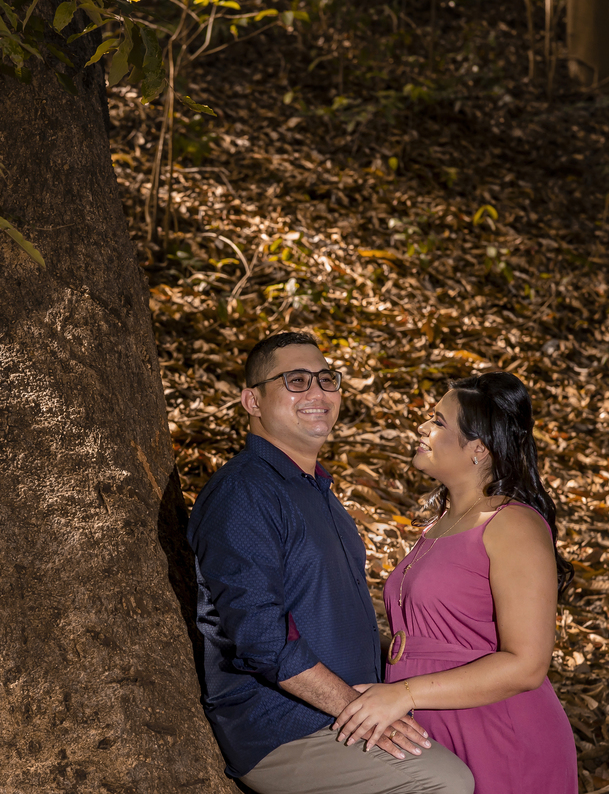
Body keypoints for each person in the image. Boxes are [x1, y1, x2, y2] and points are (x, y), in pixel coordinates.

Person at [187, 332, 475, 794]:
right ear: (252, 401)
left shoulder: (318, 492)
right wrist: (352, 706)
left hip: (341, 712)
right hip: (282, 725)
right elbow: (261, 639)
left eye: (327, 379)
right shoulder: (245, 493)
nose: (318, 392)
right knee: (442, 785)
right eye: (296, 381)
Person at [331, 372, 578, 794]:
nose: (422, 428)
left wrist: (404, 694)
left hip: (499, 733)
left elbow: (527, 664)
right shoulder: (438, 527)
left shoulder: (512, 525)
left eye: (438, 421)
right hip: (428, 727)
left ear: (478, 449)